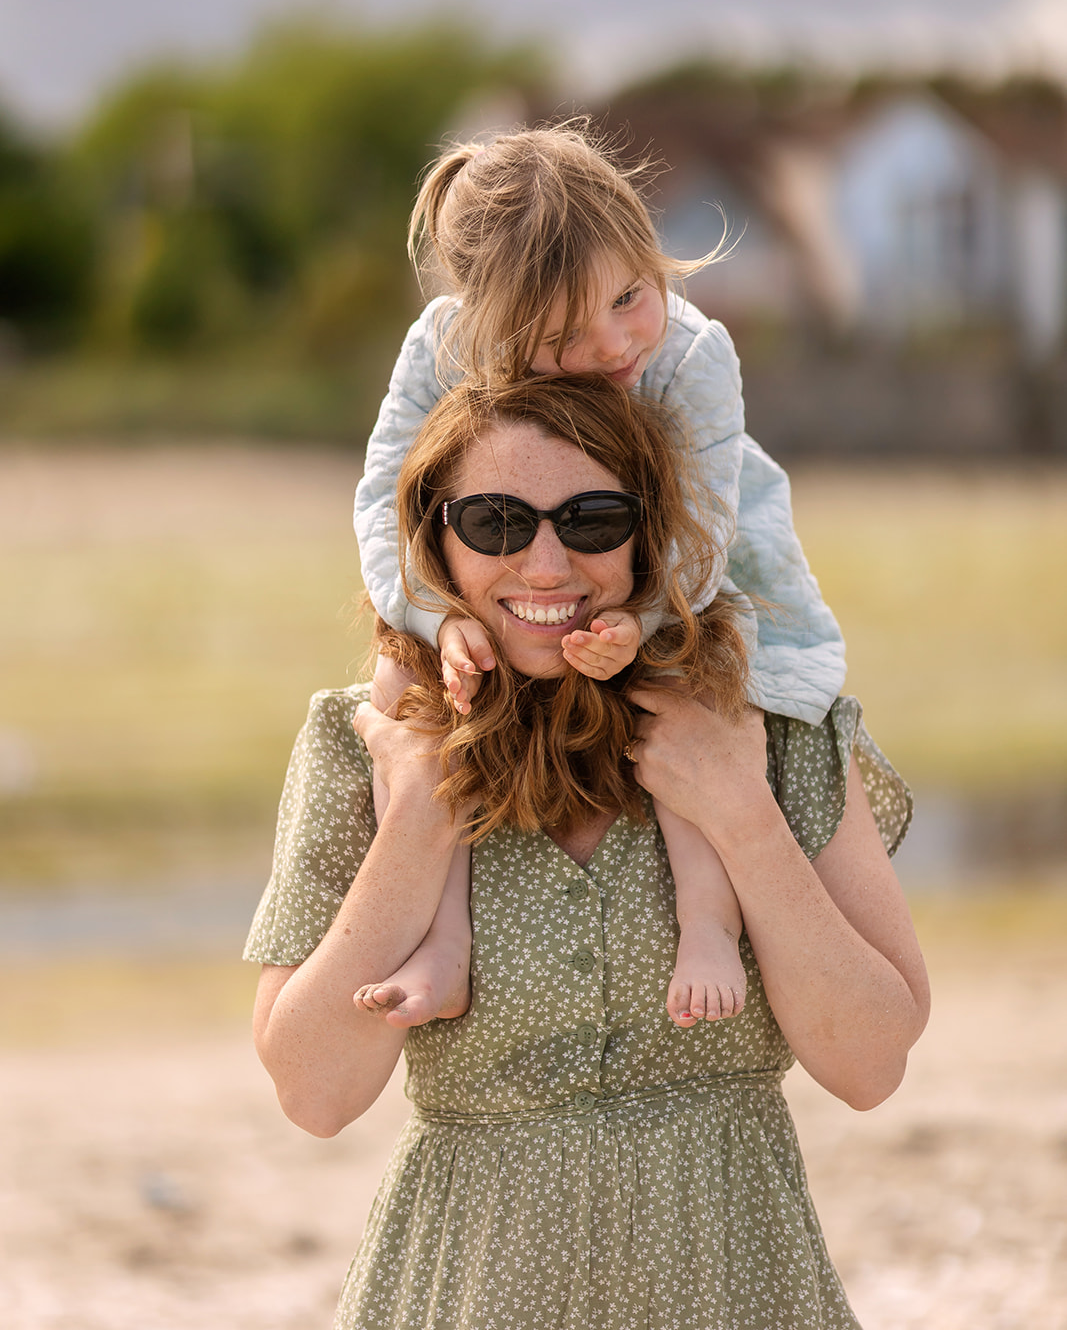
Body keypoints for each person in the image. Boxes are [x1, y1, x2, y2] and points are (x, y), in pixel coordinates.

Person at [248, 374, 928, 1330]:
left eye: (593, 519)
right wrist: (419, 815)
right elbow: (314, 1093)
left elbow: (870, 1066)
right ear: (432, 540)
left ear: (653, 532)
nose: (543, 564)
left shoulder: (778, 728)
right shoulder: (367, 739)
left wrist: (737, 811)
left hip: (738, 1291)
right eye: (492, 522)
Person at [353, 122, 845, 1029]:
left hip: (686, 577)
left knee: (692, 700)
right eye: (563, 334)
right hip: (523, 573)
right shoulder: (441, 346)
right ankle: (443, 942)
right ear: (496, 326)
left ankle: (705, 920)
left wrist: (647, 621)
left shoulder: (692, 356)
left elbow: (704, 529)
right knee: (408, 696)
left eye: (629, 294)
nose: (616, 342)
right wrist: (434, 619)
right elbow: (385, 493)